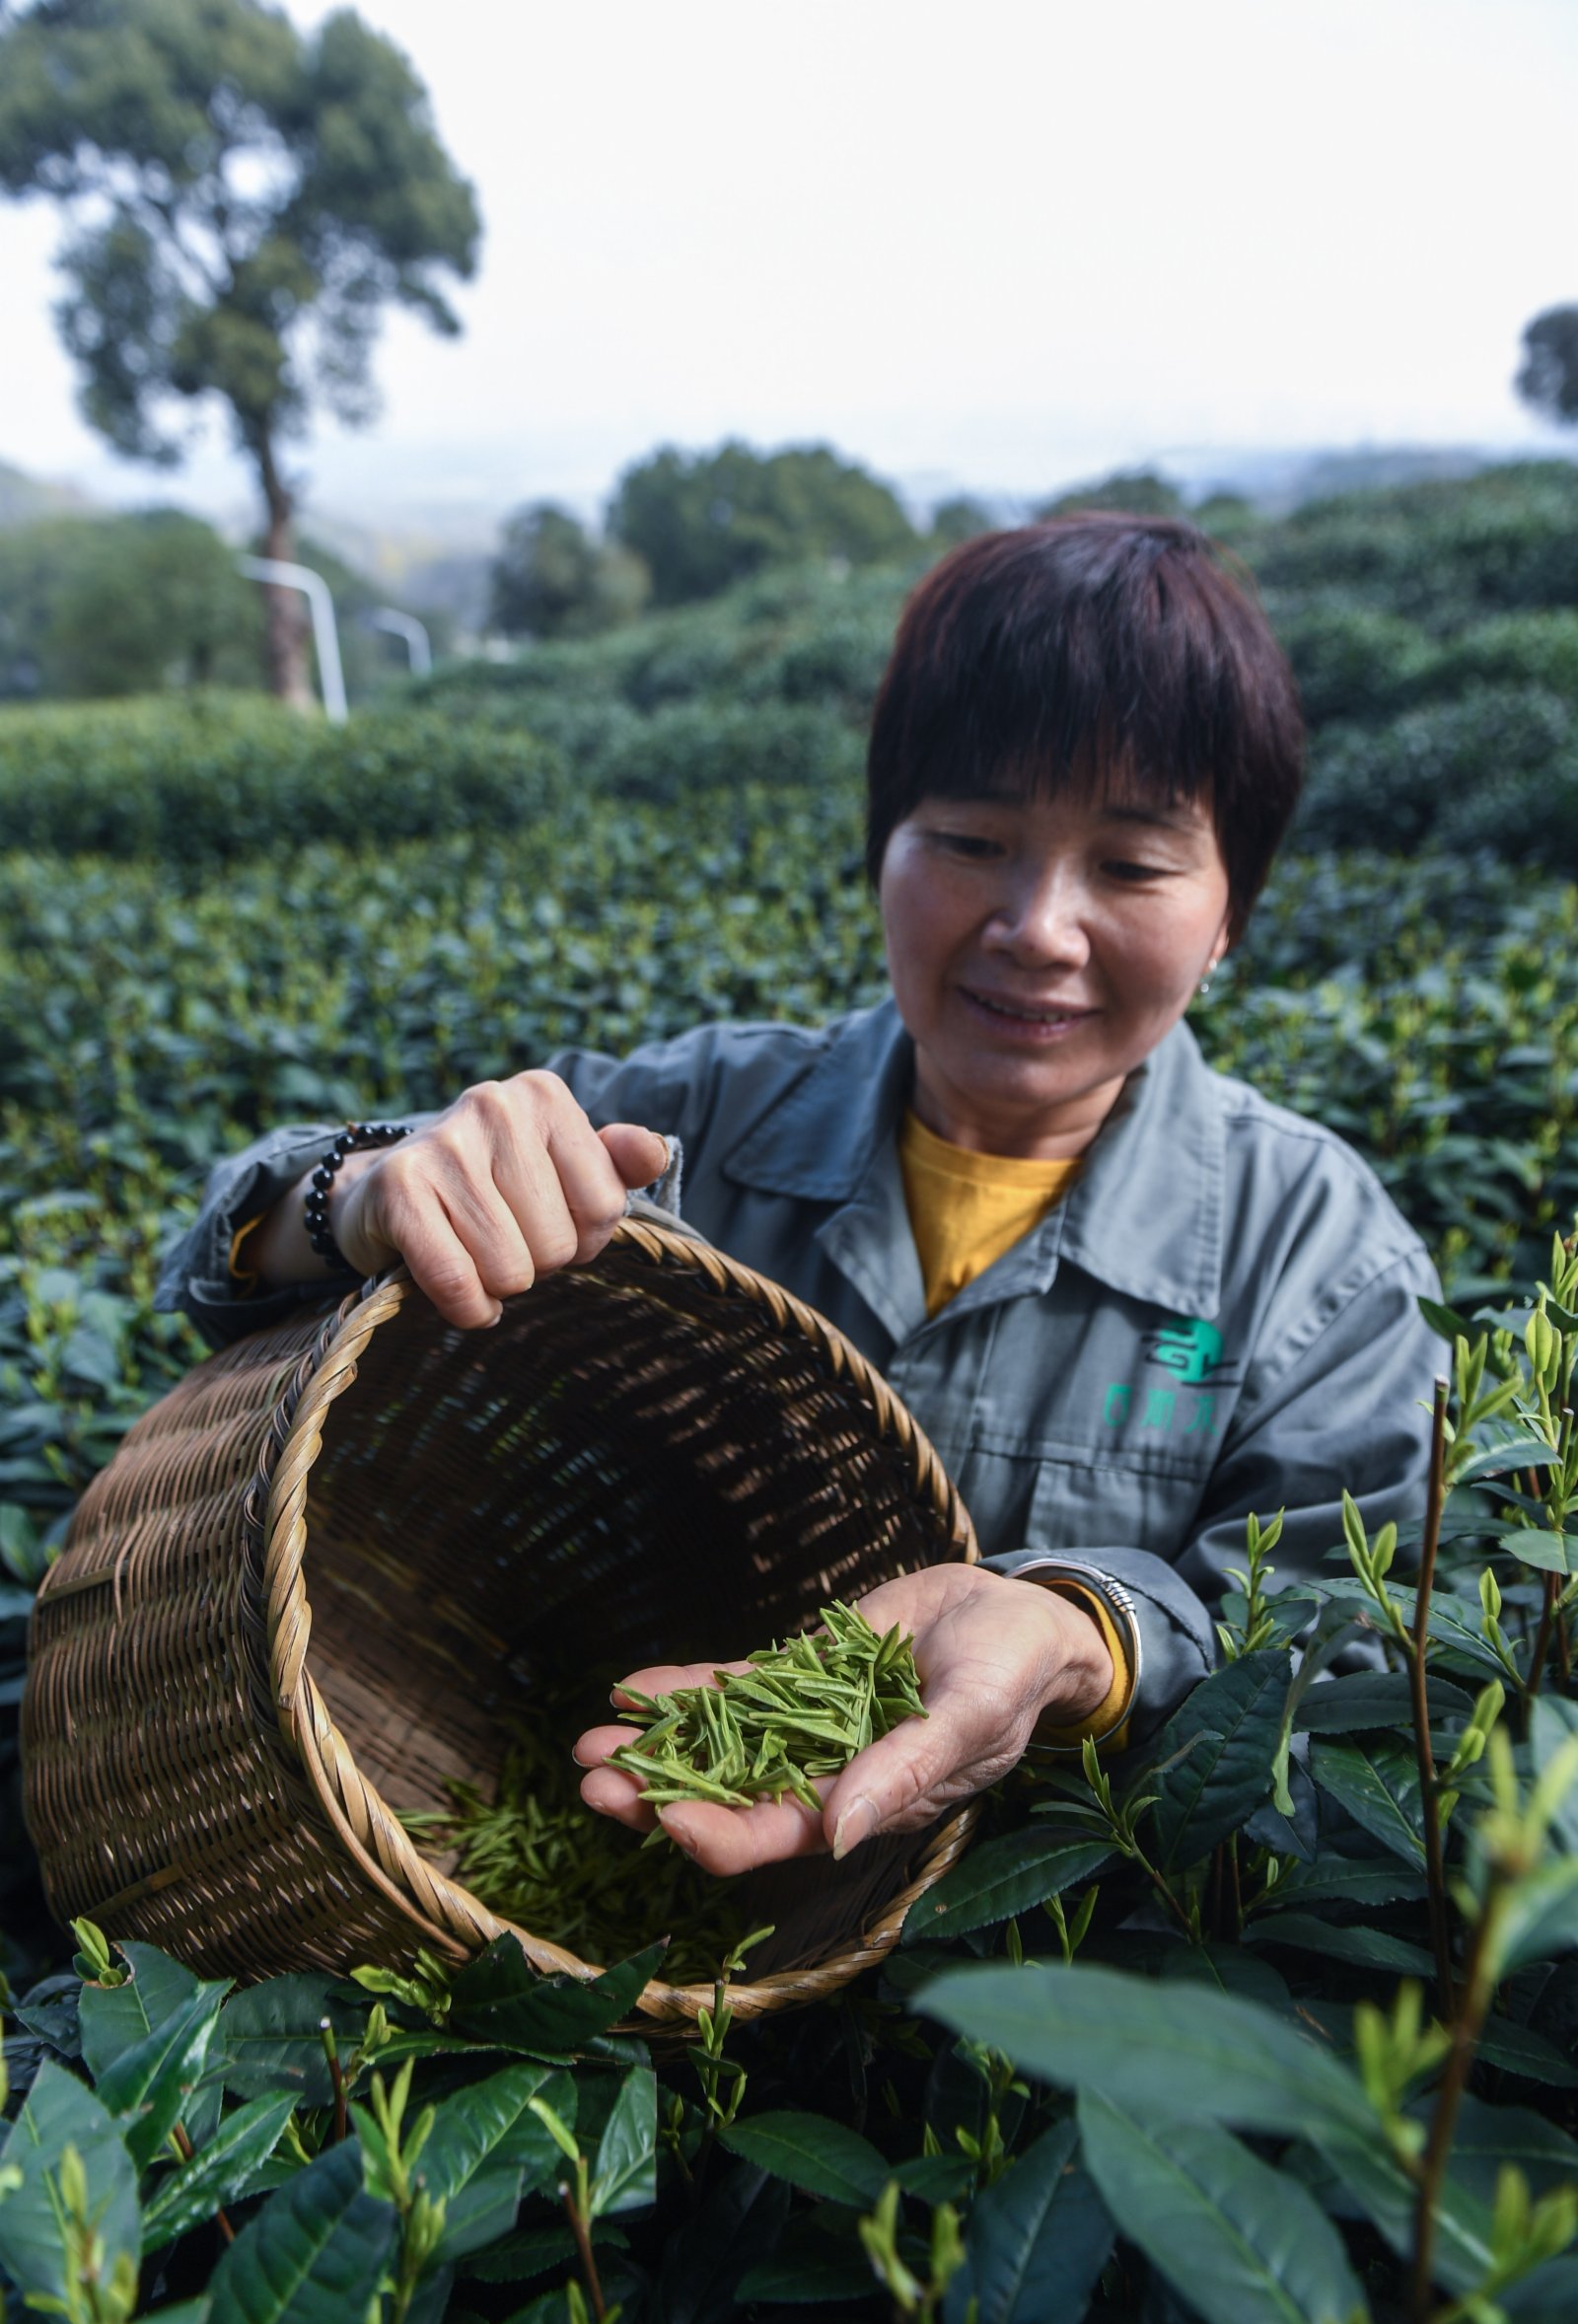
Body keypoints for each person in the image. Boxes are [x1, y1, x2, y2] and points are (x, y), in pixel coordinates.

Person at [157, 515, 1445, 1884]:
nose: (1038, 929)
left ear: (1231, 908)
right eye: (969, 840)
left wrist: (1085, 1639)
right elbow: (230, 1238)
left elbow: (1341, 1659)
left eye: (1130, 866)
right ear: (881, 846)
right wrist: (361, 1185)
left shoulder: (1320, 1261)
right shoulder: (697, 1118)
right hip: (607, 1857)